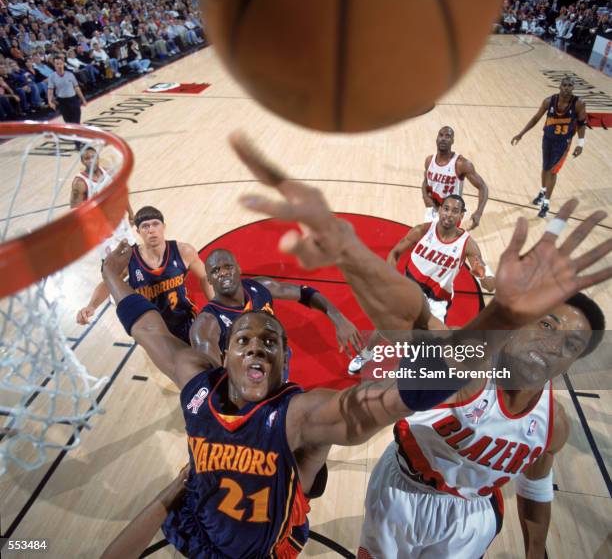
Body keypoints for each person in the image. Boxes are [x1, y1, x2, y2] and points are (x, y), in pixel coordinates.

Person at [98, 132, 611, 558]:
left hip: (457, 513)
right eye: (247, 339)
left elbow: (389, 398)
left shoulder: (297, 412)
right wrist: (112, 278)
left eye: (271, 339)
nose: (258, 345)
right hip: (396, 489)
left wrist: (496, 313)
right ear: (223, 351)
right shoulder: (197, 377)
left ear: (284, 360)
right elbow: (147, 330)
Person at [358, 292, 605, 559]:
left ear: (572, 364)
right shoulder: (465, 363)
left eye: (571, 345)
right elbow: (410, 327)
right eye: (546, 325)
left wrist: (535, 551)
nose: (554, 345)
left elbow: (535, 486)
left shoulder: (553, 425)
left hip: (470, 515)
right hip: (401, 489)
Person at [348, 194, 495, 374]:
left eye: (455, 211)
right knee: (385, 327)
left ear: (461, 216)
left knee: (434, 345)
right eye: (446, 209)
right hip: (410, 288)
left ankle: (421, 375)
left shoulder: (468, 245)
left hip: (437, 300)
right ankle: (367, 353)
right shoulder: (422, 231)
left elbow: (488, 284)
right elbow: (395, 253)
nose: (449, 214)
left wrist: (485, 276)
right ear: (440, 210)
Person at [190, 248, 364, 361]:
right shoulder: (207, 323)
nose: (223, 273)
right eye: (215, 271)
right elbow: (212, 379)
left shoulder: (260, 287)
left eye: (228, 267)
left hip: (276, 359)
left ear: (239, 269)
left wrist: (338, 319)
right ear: (210, 280)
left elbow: (305, 293)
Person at [76, 206, 207, 345]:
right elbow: (108, 282)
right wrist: (91, 306)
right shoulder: (129, 259)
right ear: (138, 232)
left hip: (186, 320)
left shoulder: (183, 251)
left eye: (155, 224)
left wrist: (216, 304)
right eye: (145, 226)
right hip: (154, 331)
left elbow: (205, 277)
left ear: (164, 226)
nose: (151, 230)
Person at [511, 75, 587, 218]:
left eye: (570, 85)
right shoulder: (548, 101)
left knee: (553, 171)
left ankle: (546, 203)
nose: (567, 88)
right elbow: (535, 118)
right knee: (545, 168)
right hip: (548, 139)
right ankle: (542, 190)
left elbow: (582, 124)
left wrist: (580, 144)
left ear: (573, 88)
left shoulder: (578, 104)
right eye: (564, 85)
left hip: (563, 142)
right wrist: (521, 134)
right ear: (559, 86)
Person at [70, 147, 135, 259]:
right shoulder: (80, 183)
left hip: (118, 221)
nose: (91, 160)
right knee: (111, 263)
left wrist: (130, 212)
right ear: (82, 161)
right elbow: (75, 209)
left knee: (133, 253)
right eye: (87, 158)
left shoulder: (109, 172)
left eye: (93, 157)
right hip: (99, 227)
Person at [422, 126, 489, 230]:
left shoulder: (461, 164)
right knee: (426, 241)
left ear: (452, 141)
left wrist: (479, 212)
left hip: (450, 214)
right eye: (441, 135)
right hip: (432, 210)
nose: (443, 138)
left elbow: (483, 187)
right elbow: (425, 180)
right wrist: (425, 196)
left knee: (444, 244)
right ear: (436, 139)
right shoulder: (429, 160)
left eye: (448, 136)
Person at [47, 54, 87, 125]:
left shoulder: (70, 74)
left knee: (76, 122)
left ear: (63, 64)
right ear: (54, 65)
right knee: (68, 123)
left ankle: (77, 134)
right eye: (57, 64)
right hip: (62, 102)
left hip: (73, 100)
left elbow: (77, 88)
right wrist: (50, 101)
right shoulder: (52, 77)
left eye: (61, 63)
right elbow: (50, 90)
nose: (59, 65)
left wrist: (83, 99)